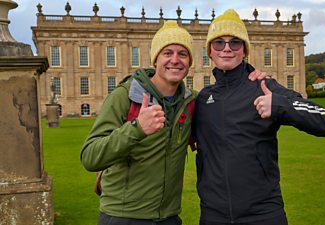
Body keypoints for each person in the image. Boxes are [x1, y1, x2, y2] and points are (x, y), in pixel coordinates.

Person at [81, 20, 268, 225]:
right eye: (167, 53)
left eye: (183, 54)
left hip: (169, 217)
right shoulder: (124, 97)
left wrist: (249, 77)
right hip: (123, 216)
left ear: (189, 62)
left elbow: (226, 105)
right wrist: (136, 129)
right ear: (155, 59)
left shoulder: (193, 102)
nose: (175, 60)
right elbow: (90, 157)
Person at [194, 9, 325, 225]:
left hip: (263, 214)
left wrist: (279, 105)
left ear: (244, 50)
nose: (226, 49)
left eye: (235, 43)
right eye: (218, 43)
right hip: (213, 215)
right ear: (210, 51)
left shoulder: (263, 87)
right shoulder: (203, 100)